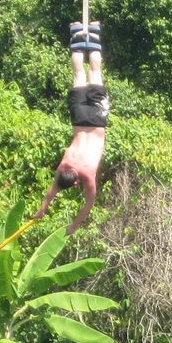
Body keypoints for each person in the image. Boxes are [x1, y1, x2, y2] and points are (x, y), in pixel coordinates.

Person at [35, 22, 110, 234]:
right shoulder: (64, 164)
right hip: (79, 120)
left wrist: (74, 226)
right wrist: (42, 208)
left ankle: (94, 33)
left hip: (96, 120)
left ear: (76, 180)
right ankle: (78, 34)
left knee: (95, 74)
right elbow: (52, 191)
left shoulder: (86, 174)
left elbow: (89, 204)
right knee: (79, 76)